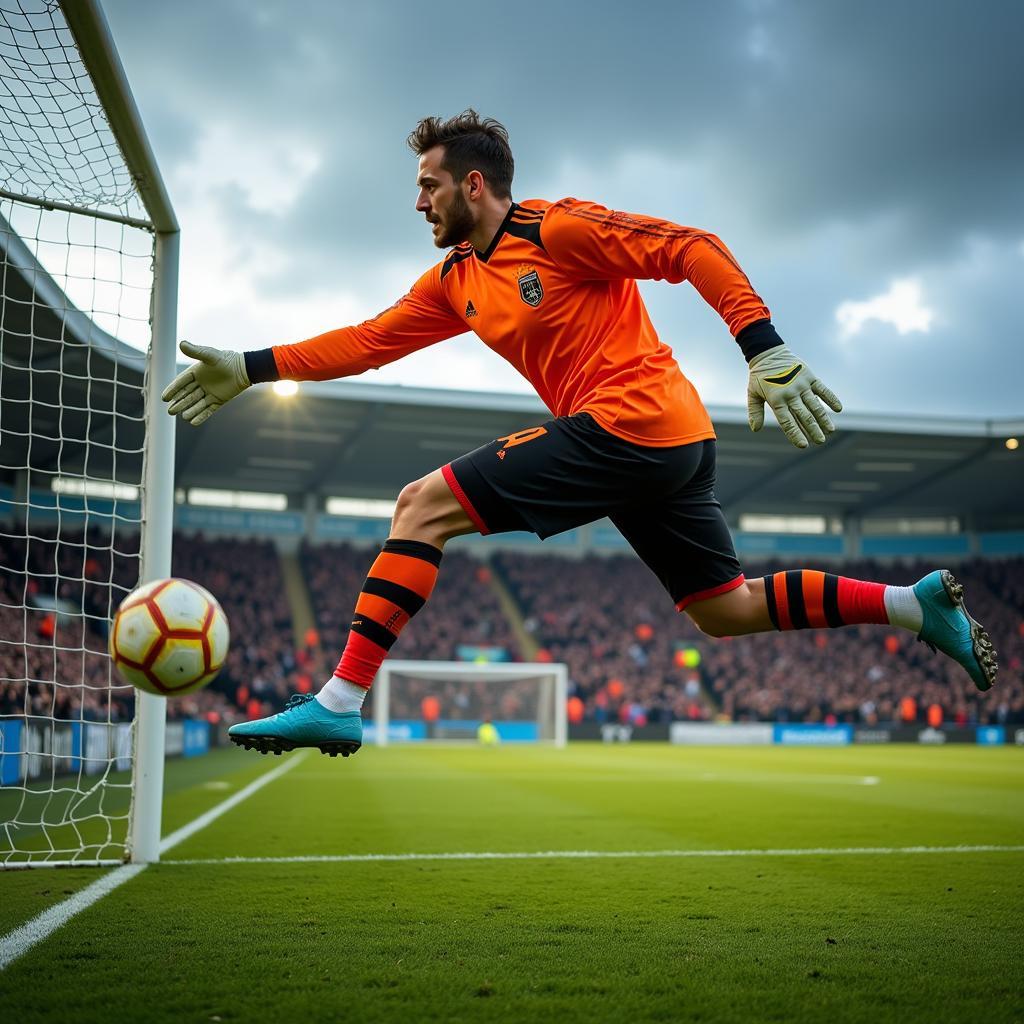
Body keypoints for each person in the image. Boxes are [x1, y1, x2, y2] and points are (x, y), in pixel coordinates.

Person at [162, 111, 998, 757]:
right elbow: (370, 340)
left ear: (475, 184)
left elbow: (692, 246)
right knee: (725, 611)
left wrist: (763, 345)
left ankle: (339, 704)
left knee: (421, 505)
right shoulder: (455, 280)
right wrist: (251, 365)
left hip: (632, 422)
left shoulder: (557, 230)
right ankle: (910, 606)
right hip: (662, 448)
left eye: (429, 185)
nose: (418, 202)